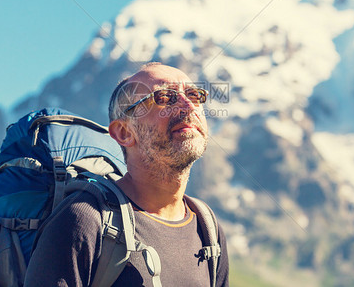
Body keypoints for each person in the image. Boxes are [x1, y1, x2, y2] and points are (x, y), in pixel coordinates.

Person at [24, 63, 229, 286]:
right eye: (165, 97)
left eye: (194, 94)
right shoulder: (84, 220)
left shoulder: (208, 228)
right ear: (124, 133)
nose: (188, 106)